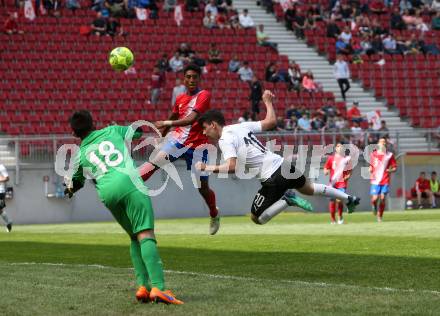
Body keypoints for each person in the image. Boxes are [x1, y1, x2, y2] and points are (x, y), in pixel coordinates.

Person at [65, 111, 183, 304]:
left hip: (107, 193)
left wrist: (69, 189)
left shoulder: (79, 155)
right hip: (130, 183)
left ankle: (143, 287)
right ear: (93, 123)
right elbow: (137, 133)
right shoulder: (112, 130)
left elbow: (75, 184)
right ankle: (159, 289)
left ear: (75, 134)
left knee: (134, 237)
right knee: (145, 234)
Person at [195, 90, 360, 225]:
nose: (204, 132)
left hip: (272, 178)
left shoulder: (225, 139)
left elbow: (231, 167)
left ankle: (287, 200)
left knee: (256, 219)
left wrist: (207, 168)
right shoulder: (240, 126)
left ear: (213, 125)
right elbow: (271, 122)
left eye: (204, 128)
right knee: (308, 188)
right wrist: (267, 101)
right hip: (284, 165)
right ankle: (349, 198)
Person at [138, 64, 220, 235]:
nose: (191, 80)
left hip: (198, 146)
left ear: (199, 79)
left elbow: (191, 119)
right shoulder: (181, 98)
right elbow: (174, 115)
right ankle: (128, 186)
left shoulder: (204, 95)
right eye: (188, 77)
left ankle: (214, 213)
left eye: (194, 77)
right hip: (177, 142)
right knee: (154, 162)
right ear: (183, 79)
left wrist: (167, 124)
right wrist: (163, 135)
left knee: (202, 188)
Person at [369, 138, 397, 222]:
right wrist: (370, 170)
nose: (383, 143)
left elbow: (395, 167)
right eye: (381, 142)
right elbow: (371, 166)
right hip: (375, 180)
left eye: (384, 142)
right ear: (378, 144)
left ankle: (380, 216)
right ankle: (374, 206)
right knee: (374, 199)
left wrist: (390, 170)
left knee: (383, 198)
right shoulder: (373, 154)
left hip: (385, 180)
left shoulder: (390, 155)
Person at [324, 143, 352, 224]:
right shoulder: (331, 158)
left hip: (342, 183)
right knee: (332, 201)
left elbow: (350, 170)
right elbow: (326, 168)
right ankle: (333, 220)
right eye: (338, 146)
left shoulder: (346, 159)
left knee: (339, 200)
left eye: (342, 147)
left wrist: (348, 176)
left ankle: (340, 217)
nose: (340, 148)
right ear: (336, 148)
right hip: (332, 183)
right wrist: (326, 171)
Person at [0, 163, 12, 232]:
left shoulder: (1, 167)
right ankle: (8, 222)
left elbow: (7, 178)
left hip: (0, 191)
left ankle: (8, 222)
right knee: (0, 211)